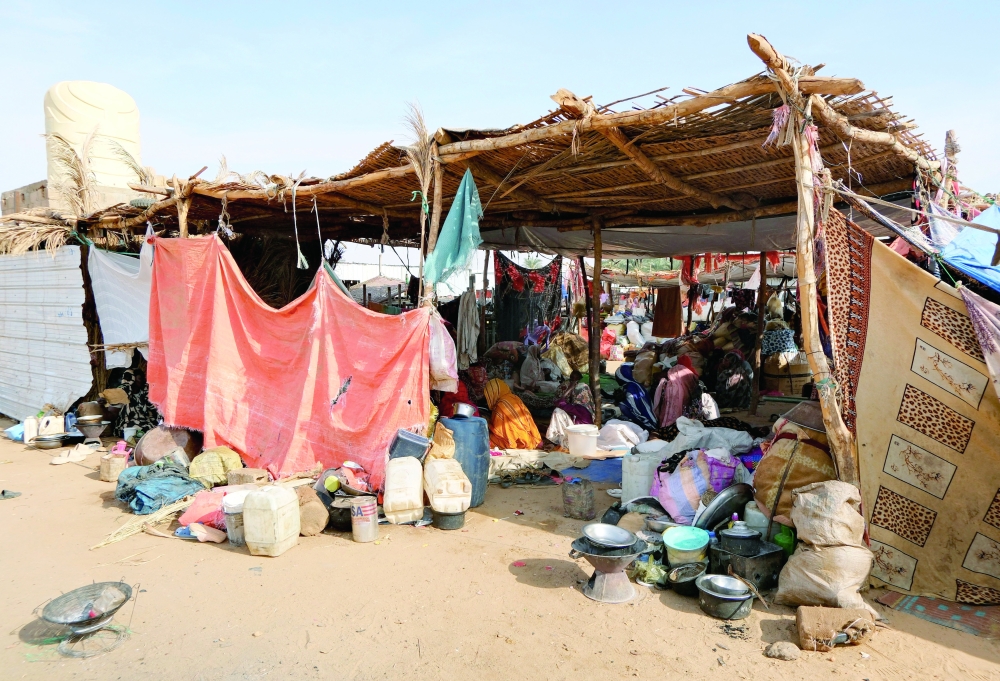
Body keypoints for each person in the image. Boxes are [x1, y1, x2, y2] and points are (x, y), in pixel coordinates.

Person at [483, 378, 542, 450]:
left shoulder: (500, 406)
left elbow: (500, 430)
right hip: (530, 437)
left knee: (486, 440)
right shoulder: (514, 397)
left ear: (493, 393)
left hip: (517, 441)